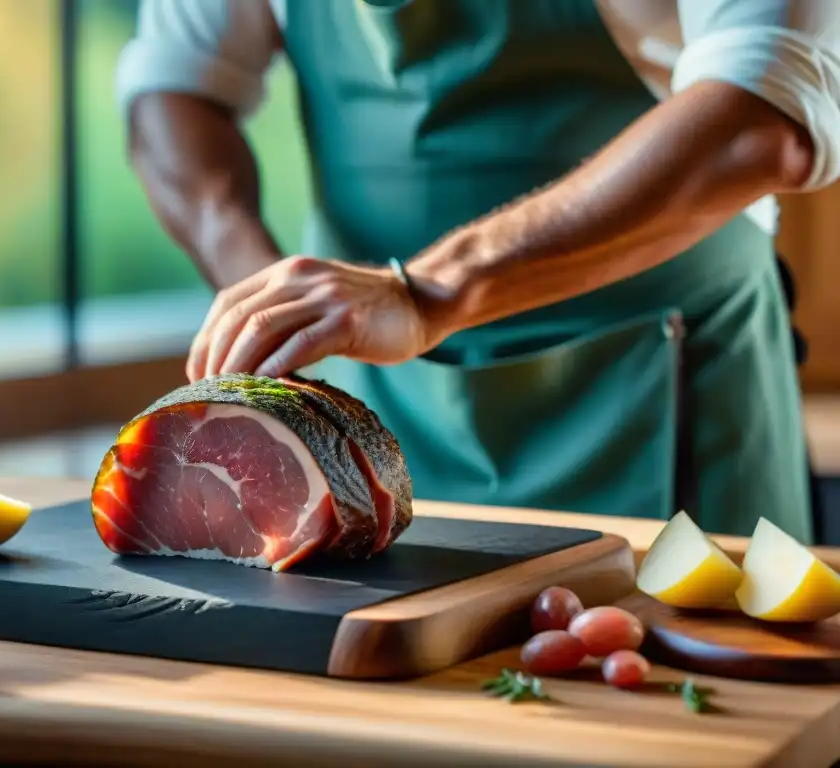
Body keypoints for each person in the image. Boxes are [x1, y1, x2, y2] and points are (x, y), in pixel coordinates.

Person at [115, 0, 840, 542]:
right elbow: (176, 85)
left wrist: (429, 292)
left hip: (676, 387)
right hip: (371, 402)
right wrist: (263, 295)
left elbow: (763, 113)